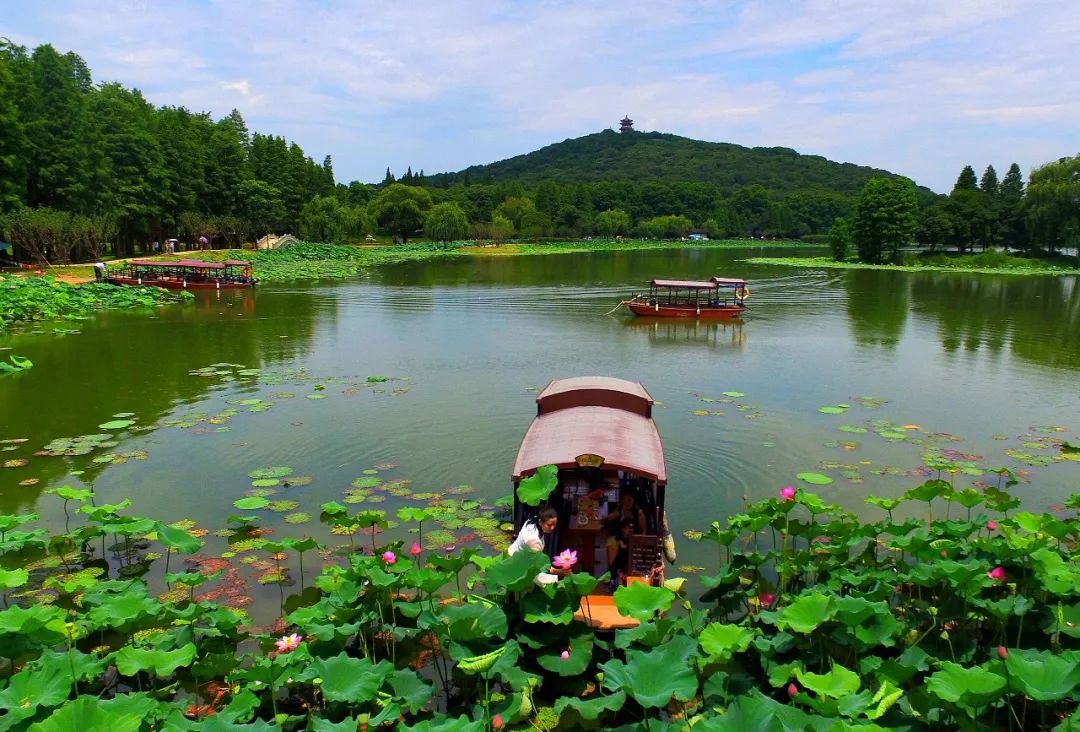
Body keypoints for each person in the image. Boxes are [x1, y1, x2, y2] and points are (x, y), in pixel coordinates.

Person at [508, 506, 564, 586]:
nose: (552, 528)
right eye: (549, 525)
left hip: (518, 555)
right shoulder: (533, 541)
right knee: (549, 582)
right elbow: (539, 565)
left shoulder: (534, 520)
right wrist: (559, 572)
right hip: (516, 564)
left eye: (554, 524)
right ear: (540, 522)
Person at [605, 518, 635, 588]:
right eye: (627, 528)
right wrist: (626, 546)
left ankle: (623, 579)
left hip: (628, 558)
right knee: (618, 572)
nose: (630, 530)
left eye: (631, 528)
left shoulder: (632, 538)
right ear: (623, 529)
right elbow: (622, 545)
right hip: (620, 559)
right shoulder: (620, 538)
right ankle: (619, 582)